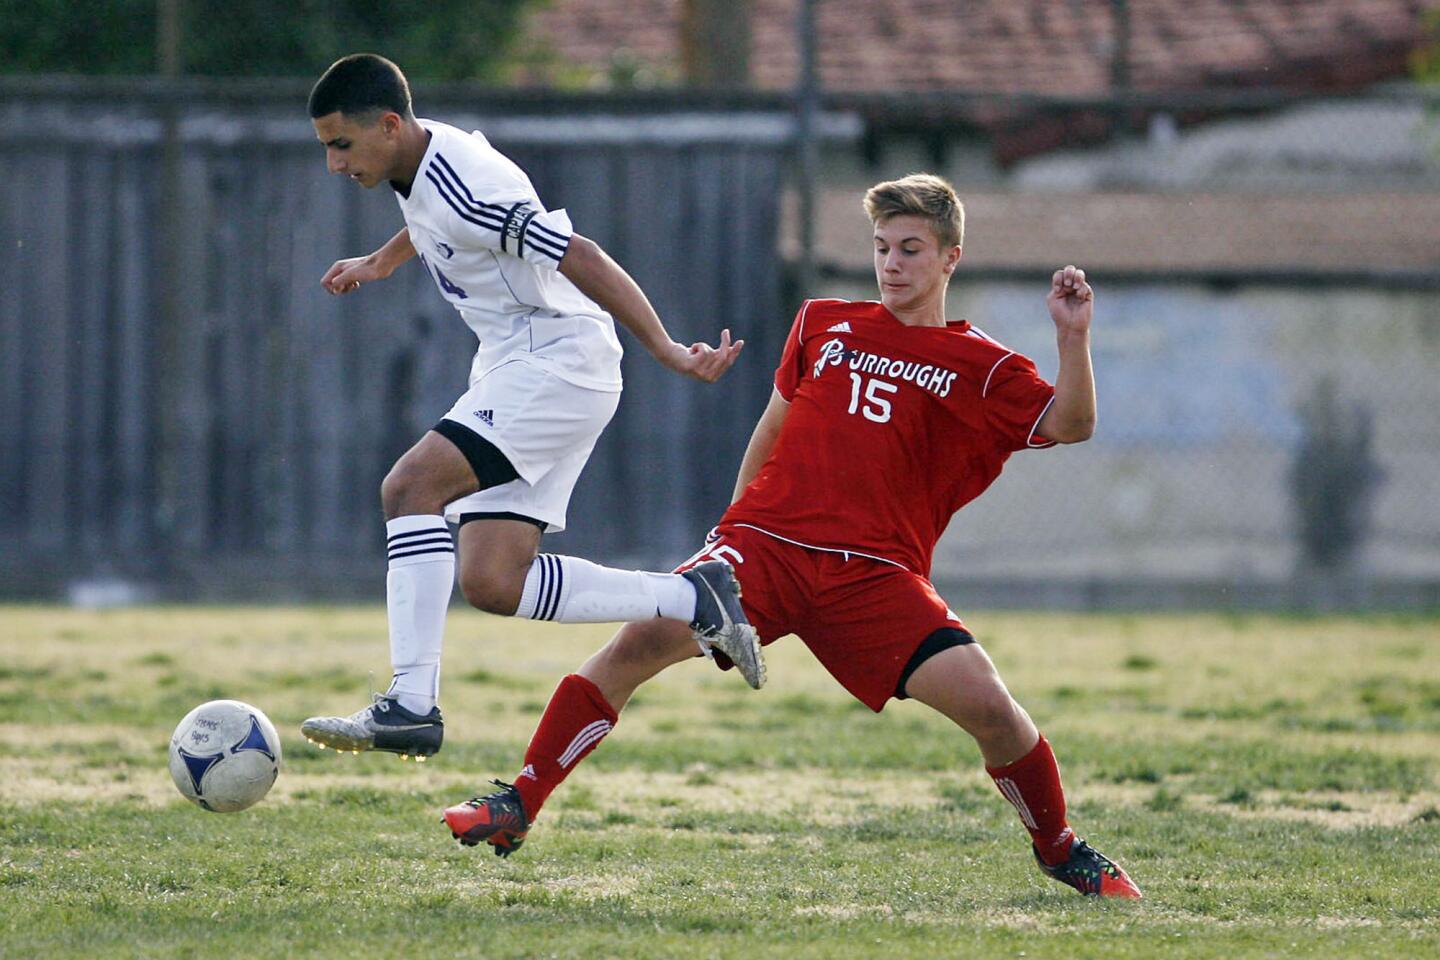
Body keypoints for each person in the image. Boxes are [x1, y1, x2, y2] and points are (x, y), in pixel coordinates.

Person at [441, 173, 1142, 899]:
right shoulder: (822, 323)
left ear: (949, 259)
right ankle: (517, 802)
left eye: (910, 249)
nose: (892, 263)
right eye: (881, 247)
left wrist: (1072, 336)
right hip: (765, 547)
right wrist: (731, 528)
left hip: (875, 574)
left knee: (993, 710)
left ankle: (1061, 850)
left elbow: (1071, 423)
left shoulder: (984, 366)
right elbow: (772, 430)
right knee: (636, 643)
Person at [298, 54, 764, 762]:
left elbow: (582, 254)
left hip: (558, 362)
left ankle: (412, 705)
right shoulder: (415, 159)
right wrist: (382, 261)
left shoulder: (466, 189)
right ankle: (694, 598)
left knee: (409, 487)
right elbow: (436, 220)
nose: (334, 163)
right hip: (524, 361)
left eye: (340, 145)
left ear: (388, 125)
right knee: (493, 580)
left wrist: (668, 349)